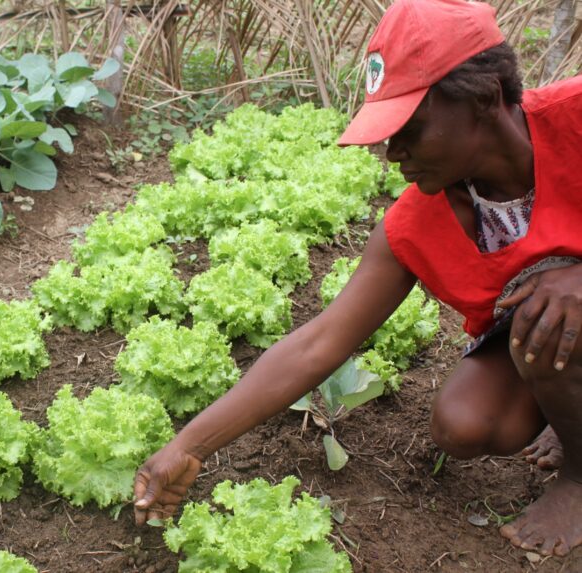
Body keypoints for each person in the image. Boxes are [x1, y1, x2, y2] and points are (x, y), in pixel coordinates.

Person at [132, 0, 582, 558]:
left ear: (485, 97)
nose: (394, 155)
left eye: (410, 130)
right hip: (550, 331)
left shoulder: (575, 116)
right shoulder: (418, 223)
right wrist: (189, 446)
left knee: (563, 303)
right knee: (467, 422)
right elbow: (320, 342)